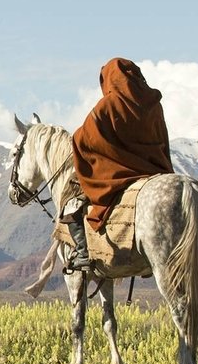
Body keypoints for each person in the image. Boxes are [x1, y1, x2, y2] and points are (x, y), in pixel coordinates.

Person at [69, 57, 174, 272]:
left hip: (120, 172)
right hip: (155, 169)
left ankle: (82, 253)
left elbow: (83, 138)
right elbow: (163, 139)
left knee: (73, 205)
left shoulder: (109, 104)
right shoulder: (154, 104)